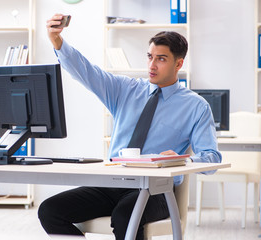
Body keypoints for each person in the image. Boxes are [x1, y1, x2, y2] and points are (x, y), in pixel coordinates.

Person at [38, 14, 222, 240]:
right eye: (149, 57)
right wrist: (57, 42)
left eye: (161, 59)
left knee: (126, 215)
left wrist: (182, 160)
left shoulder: (196, 106)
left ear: (179, 63)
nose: (152, 65)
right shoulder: (125, 90)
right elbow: (86, 71)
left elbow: (212, 159)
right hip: (111, 183)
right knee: (50, 210)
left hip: (156, 190)